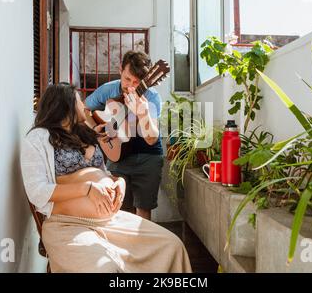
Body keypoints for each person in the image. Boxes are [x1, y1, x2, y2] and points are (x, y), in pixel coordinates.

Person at [20, 83, 192, 273]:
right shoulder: (38, 138)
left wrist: (120, 182)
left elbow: (103, 173)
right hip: (67, 225)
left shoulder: (84, 134)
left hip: (112, 222)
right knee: (105, 269)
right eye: (78, 100)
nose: (84, 105)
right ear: (65, 105)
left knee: (172, 246)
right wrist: (88, 188)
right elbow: (37, 192)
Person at [84, 51, 163, 221]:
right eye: (127, 79)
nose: (131, 87)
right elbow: (85, 110)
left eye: (136, 82)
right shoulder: (107, 90)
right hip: (117, 156)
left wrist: (143, 114)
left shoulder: (152, 97)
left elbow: (151, 139)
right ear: (120, 70)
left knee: (143, 212)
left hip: (148, 156)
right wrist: (96, 129)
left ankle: (141, 247)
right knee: (116, 208)